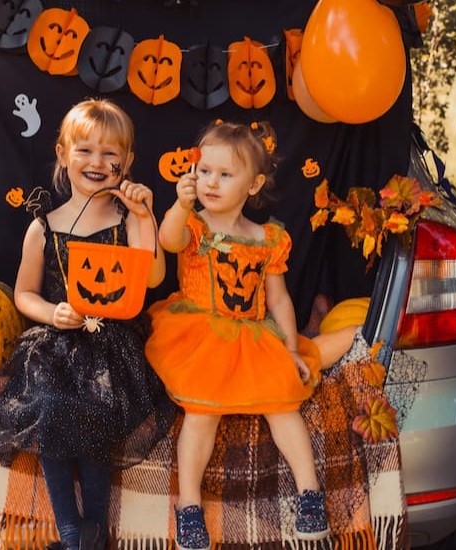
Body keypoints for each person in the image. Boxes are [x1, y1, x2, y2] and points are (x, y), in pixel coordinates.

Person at [0, 98, 175, 550]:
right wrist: (52, 312)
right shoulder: (43, 227)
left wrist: (146, 217)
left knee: (96, 408)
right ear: (63, 154)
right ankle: (72, 530)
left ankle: (94, 528)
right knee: (49, 406)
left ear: (127, 164)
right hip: (56, 342)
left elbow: (154, 278)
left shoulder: (127, 221)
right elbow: (23, 294)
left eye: (110, 154)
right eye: (85, 151)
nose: (97, 163)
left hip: (112, 341)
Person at [145, 120, 330, 550]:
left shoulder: (267, 239)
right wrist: (178, 204)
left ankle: (310, 494)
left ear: (253, 184)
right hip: (199, 331)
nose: (211, 182)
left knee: (283, 403)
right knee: (201, 412)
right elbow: (167, 241)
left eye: (225, 175)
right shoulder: (193, 225)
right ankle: (189, 507)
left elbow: (279, 299)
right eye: (205, 171)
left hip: (252, 335)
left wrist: (289, 347)